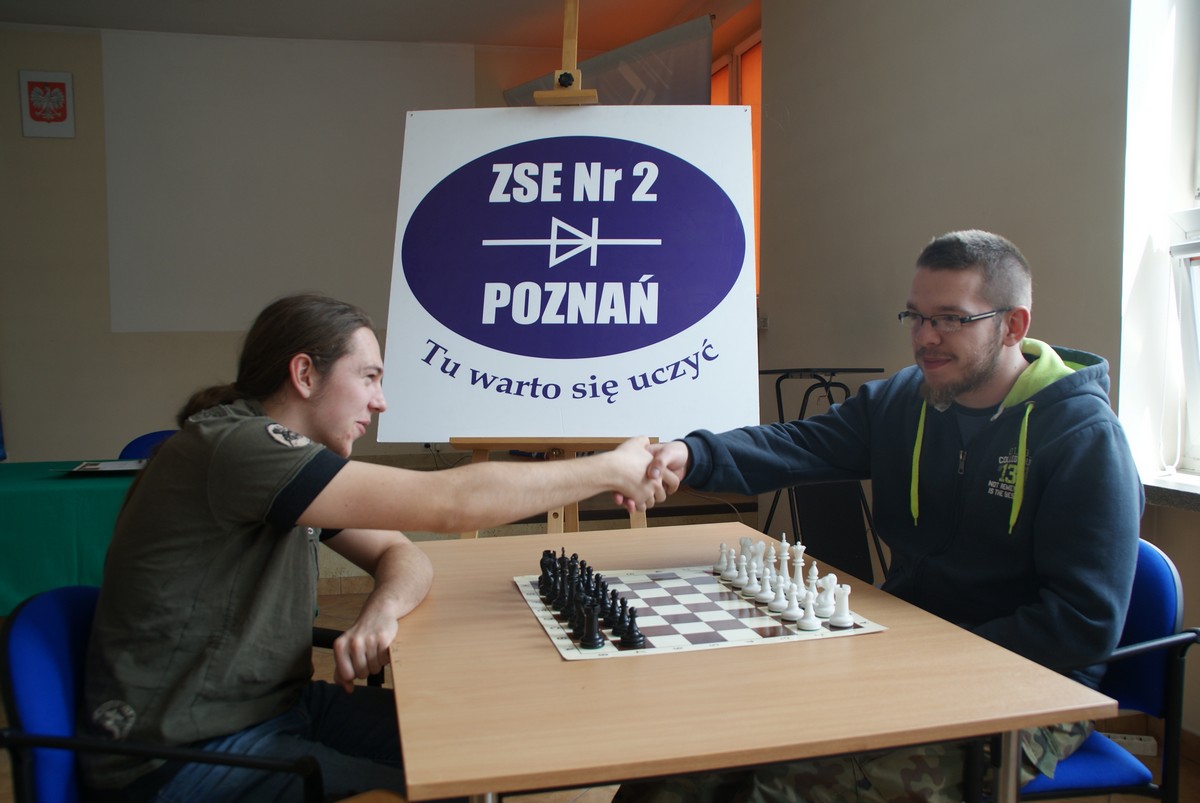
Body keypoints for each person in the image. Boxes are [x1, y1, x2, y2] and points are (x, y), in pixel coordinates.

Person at [616, 230, 1144, 803]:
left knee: (783, 788)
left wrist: (923, 659)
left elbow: (1081, 624)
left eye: (950, 319)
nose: (925, 338)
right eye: (915, 316)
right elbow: (797, 444)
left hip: (1029, 690)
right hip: (901, 653)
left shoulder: (1084, 438)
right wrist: (693, 454)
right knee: (686, 762)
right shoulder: (904, 401)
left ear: (1012, 326)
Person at [80, 293, 665, 802]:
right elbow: (449, 504)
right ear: (304, 374)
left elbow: (404, 555)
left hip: (277, 710)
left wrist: (379, 611)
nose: (380, 401)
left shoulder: (286, 468)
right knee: (446, 787)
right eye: (368, 377)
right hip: (183, 755)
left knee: (474, 749)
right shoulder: (238, 448)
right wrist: (609, 468)